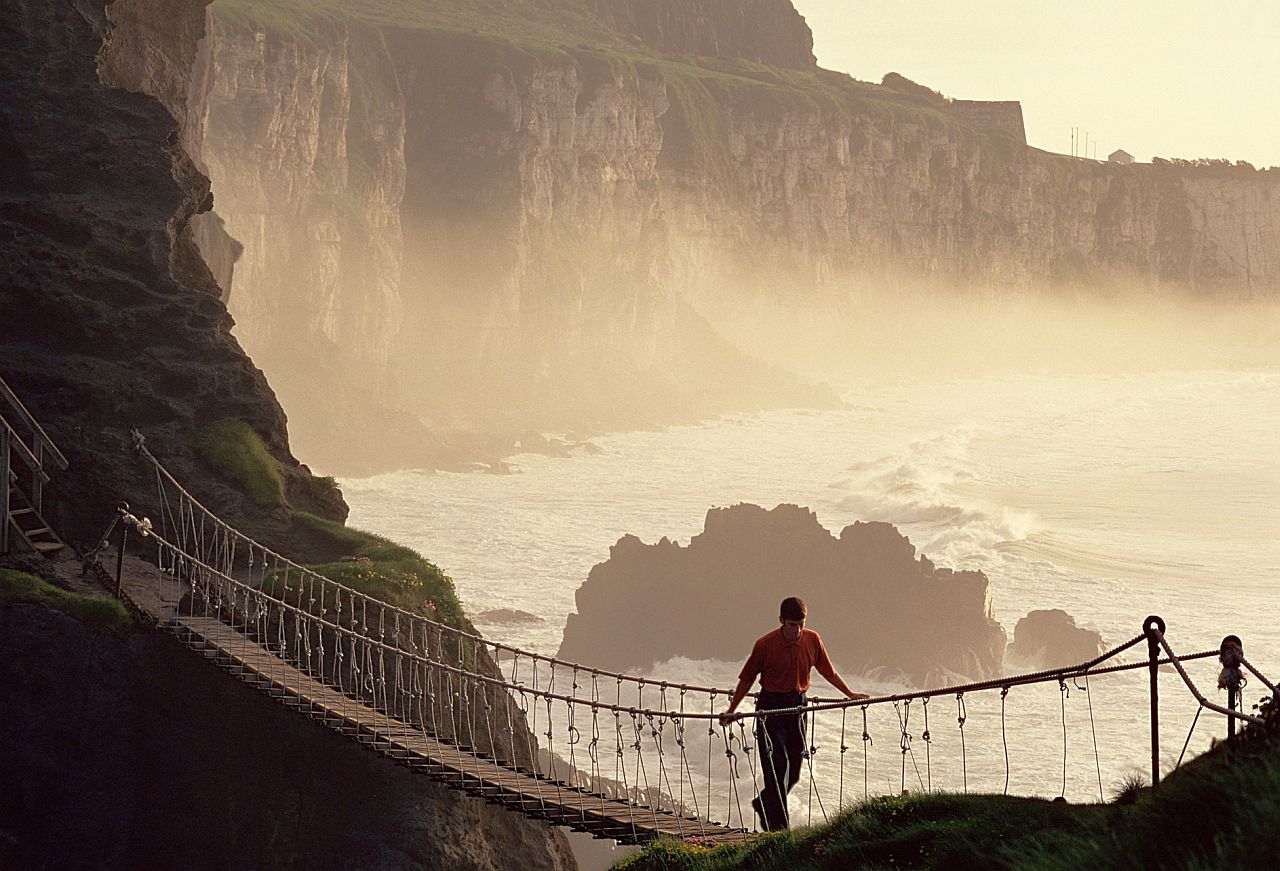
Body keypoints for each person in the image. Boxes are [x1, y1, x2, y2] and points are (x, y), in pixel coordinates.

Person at [718, 596, 869, 831]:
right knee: (778, 766)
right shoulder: (765, 645)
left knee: (795, 771)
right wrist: (732, 710)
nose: (797, 630)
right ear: (781, 621)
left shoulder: (812, 639)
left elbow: (828, 672)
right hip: (770, 708)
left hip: (798, 706)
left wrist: (849, 694)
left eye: (801, 624)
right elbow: (747, 679)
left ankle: (764, 803)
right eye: (792, 624)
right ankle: (780, 830)